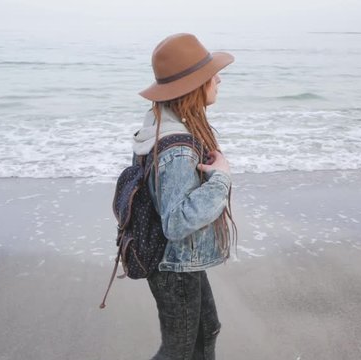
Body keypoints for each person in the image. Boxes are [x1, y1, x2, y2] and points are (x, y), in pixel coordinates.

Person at [133, 33, 237, 360]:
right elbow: (176, 223)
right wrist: (220, 177)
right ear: (193, 86)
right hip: (173, 263)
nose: (218, 78)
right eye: (210, 75)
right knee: (179, 349)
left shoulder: (160, 120)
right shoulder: (178, 147)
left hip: (177, 259)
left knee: (207, 329)